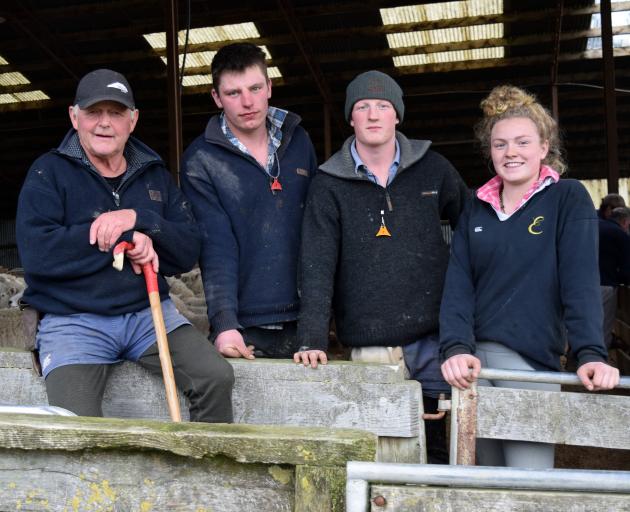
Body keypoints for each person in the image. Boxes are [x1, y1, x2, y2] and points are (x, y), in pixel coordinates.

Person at [16, 69, 234, 422]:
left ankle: (202, 474)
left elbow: (187, 248)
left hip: (147, 314)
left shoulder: (154, 176)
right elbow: (38, 255)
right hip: (74, 321)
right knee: (77, 426)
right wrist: (125, 238)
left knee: (216, 378)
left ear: (132, 120)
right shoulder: (49, 173)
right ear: (74, 116)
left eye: (116, 113)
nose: (105, 123)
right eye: (93, 112)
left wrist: (140, 219)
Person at [439, 85, 620, 468]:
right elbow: (458, 283)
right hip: (472, 367)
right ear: (490, 152)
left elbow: (580, 280)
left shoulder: (566, 198)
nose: (511, 153)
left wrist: (590, 352)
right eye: (500, 144)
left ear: (544, 146)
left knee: (527, 477)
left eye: (522, 142)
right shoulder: (477, 207)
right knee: (477, 479)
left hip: (530, 363)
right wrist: (455, 347)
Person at [295, 70, 468, 463]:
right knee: (387, 450)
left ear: (397, 116)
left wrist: (469, 310)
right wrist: (312, 337)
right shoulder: (328, 183)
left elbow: (473, 228)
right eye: (363, 106)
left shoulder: (433, 168)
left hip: (434, 337)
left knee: (445, 441)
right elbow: (317, 263)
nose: (373, 114)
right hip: (371, 340)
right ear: (351, 118)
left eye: (383, 106)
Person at [180, 43, 317, 360]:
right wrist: (225, 323)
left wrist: (321, 314)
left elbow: (318, 229)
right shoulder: (201, 160)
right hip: (245, 324)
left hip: (307, 318)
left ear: (269, 87)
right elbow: (216, 245)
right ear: (216, 97)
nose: (247, 102)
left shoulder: (299, 141)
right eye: (233, 93)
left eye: (255, 88)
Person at [599, 206, 630, 347]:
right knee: (604, 326)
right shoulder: (620, 234)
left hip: (580, 283)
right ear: (625, 221)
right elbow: (626, 269)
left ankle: (573, 359)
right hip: (605, 284)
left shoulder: (597, 225)